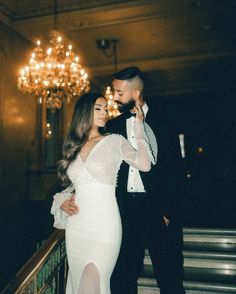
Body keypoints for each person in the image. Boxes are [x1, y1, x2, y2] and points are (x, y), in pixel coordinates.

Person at [56, 66, 185, 294]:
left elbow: (176, 168)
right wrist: (65, 198)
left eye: (119, 92)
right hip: (123, 211)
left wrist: (168, 210)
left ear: (135, 93)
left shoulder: (166, 119)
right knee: (124, 278)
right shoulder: (111, 127)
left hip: (158, 210)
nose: (114, 97)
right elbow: (87, 173)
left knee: (170, 276)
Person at [51, 92, 154, 294]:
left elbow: (145, 164)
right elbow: (75, 185)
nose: (105, 112)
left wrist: (139, 125)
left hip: (105, 227)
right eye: (99, 108)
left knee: (93, 282)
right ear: (84, 112)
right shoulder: (73, 148)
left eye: (106, 108)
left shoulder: (114, 141)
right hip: (77, 228)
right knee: (79, 285)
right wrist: (62, 199)